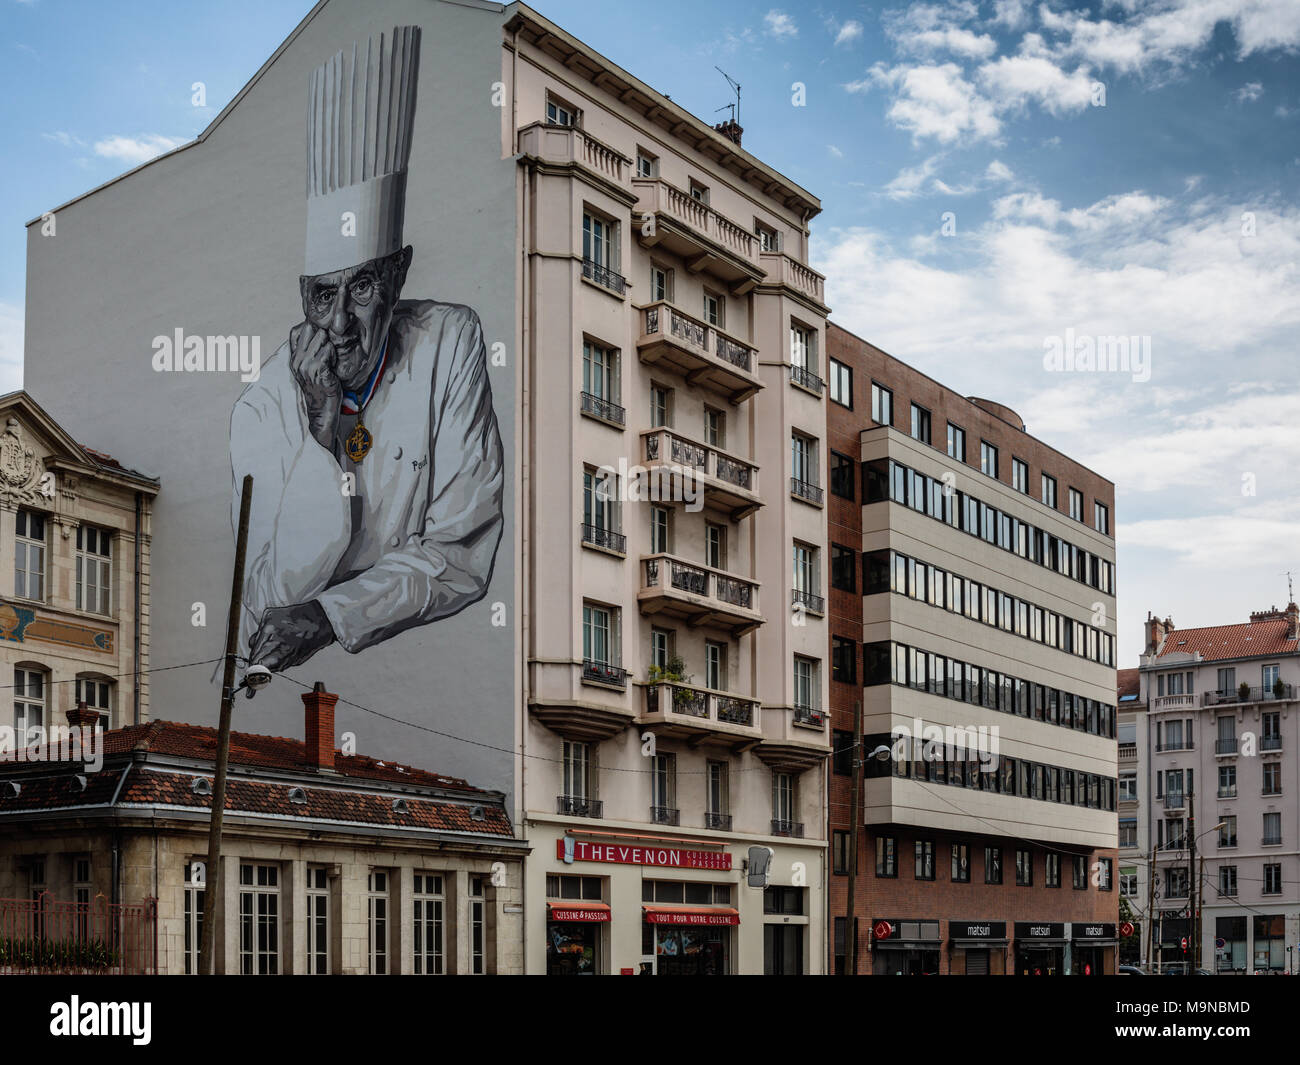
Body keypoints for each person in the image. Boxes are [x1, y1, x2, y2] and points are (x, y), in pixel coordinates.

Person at [229, 25, 503, 671]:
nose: (341, 323)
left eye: (361, 287)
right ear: (301, 295)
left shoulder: (450, 341)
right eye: (322, 296)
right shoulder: (262, 408)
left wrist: (334, 614)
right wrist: (322, 441)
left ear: (399, 274)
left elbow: (461, 553)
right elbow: (274, 600)